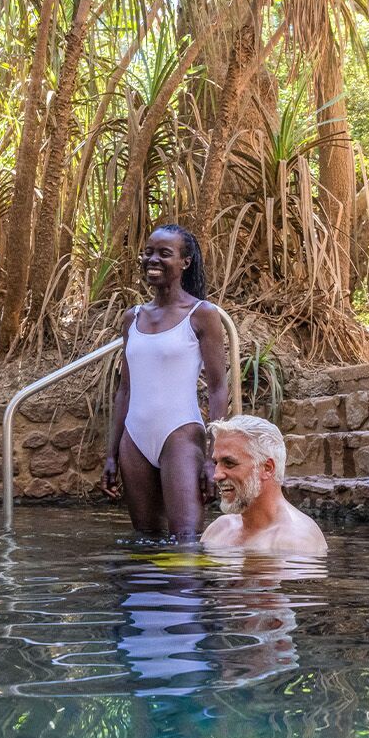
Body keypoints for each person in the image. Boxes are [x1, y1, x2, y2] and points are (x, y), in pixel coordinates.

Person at [103, 224, 229, 539]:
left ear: (185, 261)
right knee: (146, 540)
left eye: (164, 253)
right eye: (148, 252)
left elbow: (218, 388)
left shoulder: (202, 314)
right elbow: (125, 390)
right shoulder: (132, 317)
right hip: (134, 438)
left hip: (180, 434)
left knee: (186, 540)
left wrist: (214, 457)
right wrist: (111, 455)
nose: (152, 260)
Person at [202, 415, 327, 554]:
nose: (216, 475)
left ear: (267, 468)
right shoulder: (218, 529)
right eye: (216, 463)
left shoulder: (294, 542)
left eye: (229, 463)